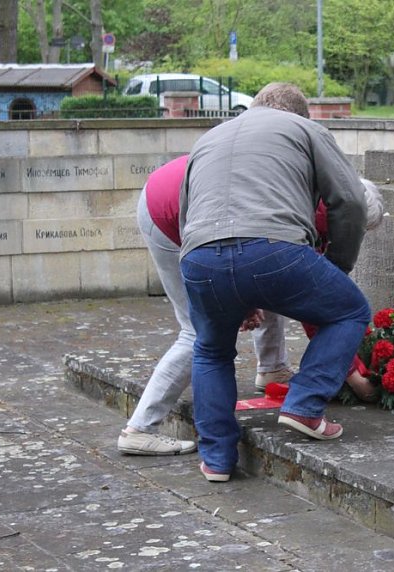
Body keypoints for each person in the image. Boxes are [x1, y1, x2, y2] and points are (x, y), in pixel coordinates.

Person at [179, 82, 371, 482]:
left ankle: (216, 459)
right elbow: (350, 200)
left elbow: (187, 214)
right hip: (274, 249)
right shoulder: (306, 129)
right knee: (350, 310)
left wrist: (234, 288)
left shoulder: (208, 138)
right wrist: (337, 266)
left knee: (211, 350)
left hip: (199, 258)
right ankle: (304, 404)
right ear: (300, 114)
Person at [117, 155, 291, 456]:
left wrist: (246, 302)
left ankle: (272, 368)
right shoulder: (295, 195)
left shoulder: (280, 173)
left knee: (270, 271)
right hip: (171, 214)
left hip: (169, 195)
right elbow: (228, 249)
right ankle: (139, 428)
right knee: (197, 330)